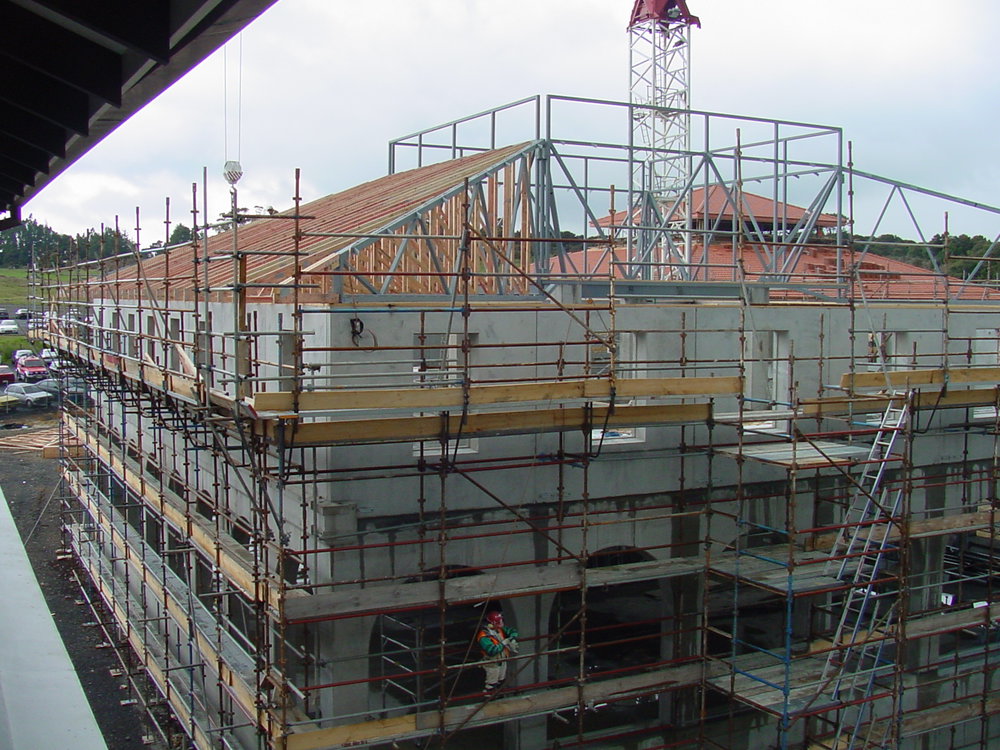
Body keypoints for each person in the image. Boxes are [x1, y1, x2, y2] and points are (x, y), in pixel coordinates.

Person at [476, 610, 518, 693]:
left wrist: (512, 638)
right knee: (491, 685)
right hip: (492, 663)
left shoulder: (498, 630)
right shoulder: (484, 636)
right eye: (499, 622)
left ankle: (499, 697)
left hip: (502, 660)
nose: (501, 624)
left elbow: (512, 631)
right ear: (492, 623)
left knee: (501, 682)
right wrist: (504, 643)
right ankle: (489, 699)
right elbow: (492, 651)